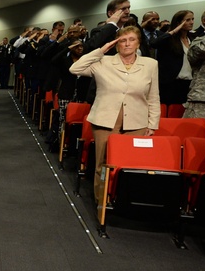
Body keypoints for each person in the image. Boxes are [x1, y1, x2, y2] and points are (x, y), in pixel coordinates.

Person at [69, 26, 160, 206]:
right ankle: (102, 201)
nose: (127, 44)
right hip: (105, 119)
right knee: (103, 163)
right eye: (123, 40)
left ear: (138, 42)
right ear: (116, 44)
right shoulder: (104, 62)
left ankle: (122, 200)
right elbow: (75, 68)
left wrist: (153, 124)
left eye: (132, 39)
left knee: (129, 163)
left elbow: (153, 96)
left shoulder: (150, 64)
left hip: (137, 121)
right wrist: (101, 50)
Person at [150, 10, 196, 106]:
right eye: (187, 20)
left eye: (192, 19)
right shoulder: (169, 39)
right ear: (178, 22)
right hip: (172, 83)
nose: (191, 22)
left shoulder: (192, 38)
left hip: (189, 82)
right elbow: (154, 44)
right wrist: (173, 31)